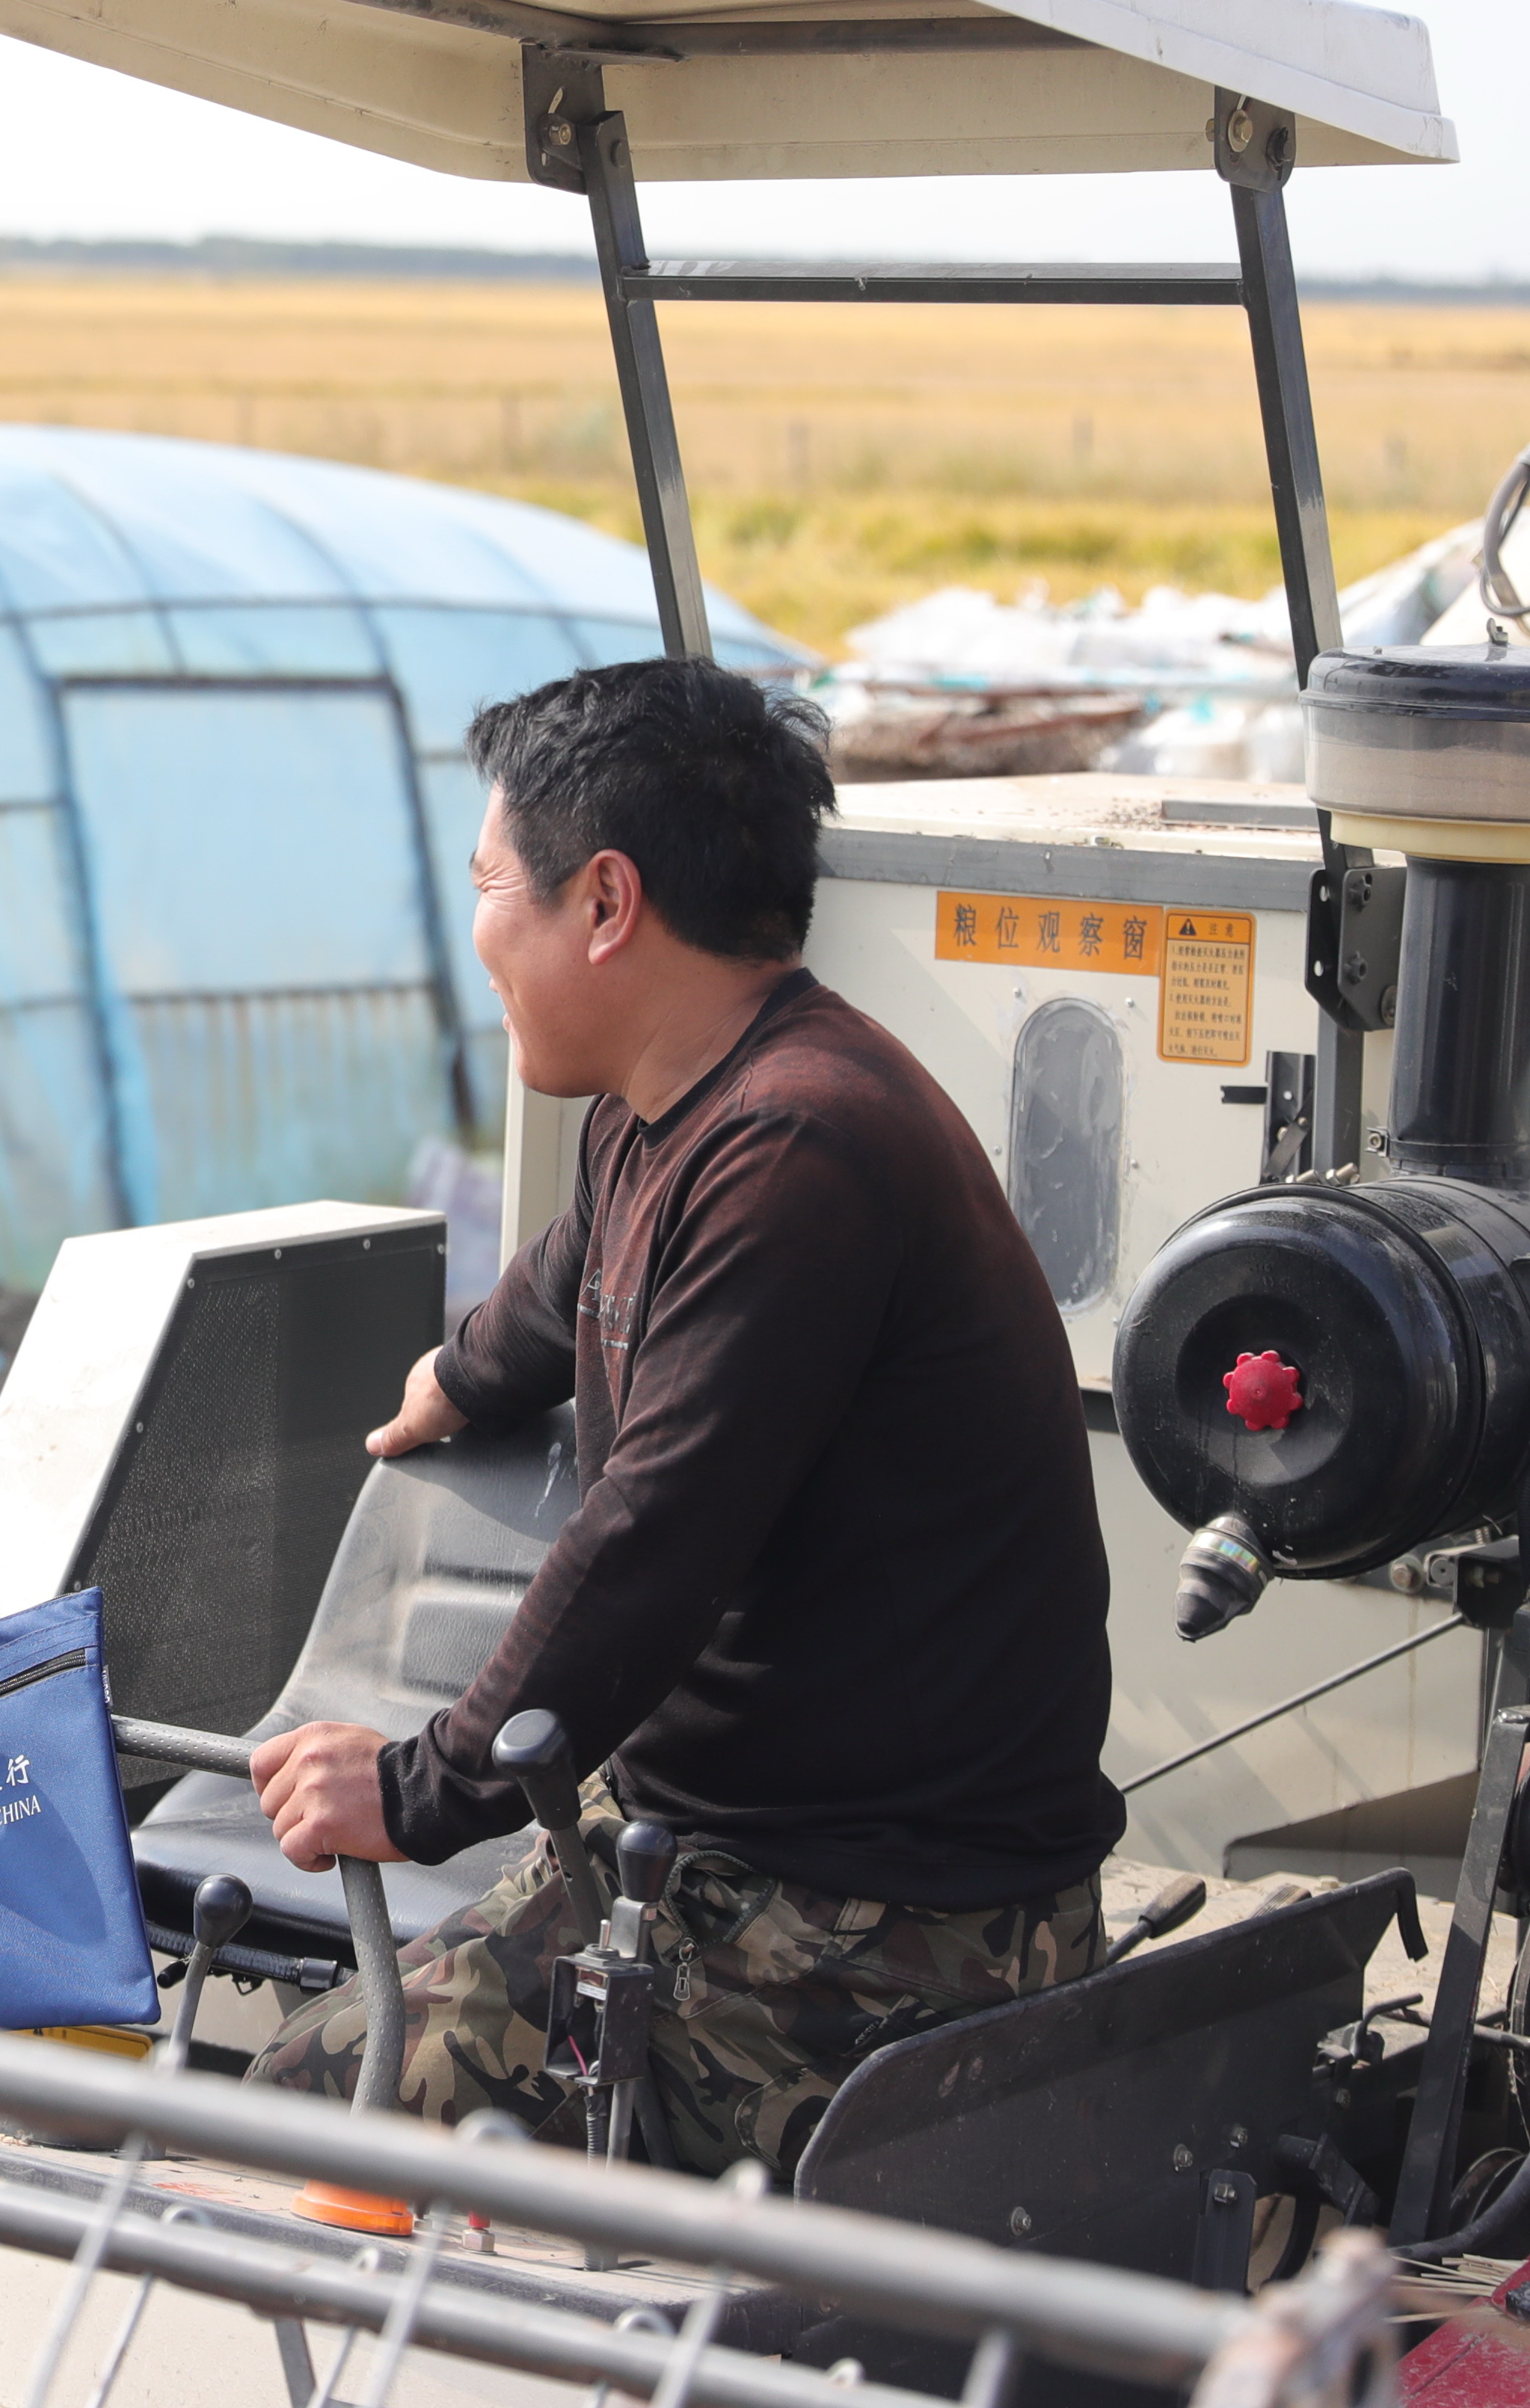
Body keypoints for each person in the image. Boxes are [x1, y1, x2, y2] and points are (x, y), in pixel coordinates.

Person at [245, 659, 1121, 2181]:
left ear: (605, 902)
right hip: (727, 1850)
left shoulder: (799, 1148)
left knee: (291, 2110)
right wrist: (461, 1375)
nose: (478, 936)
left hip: (875, 1930)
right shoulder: (670, 1106)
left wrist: (417, 1786)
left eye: (489, 887)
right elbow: (570, 1279)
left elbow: (650, 1536)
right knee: (327, 2032)